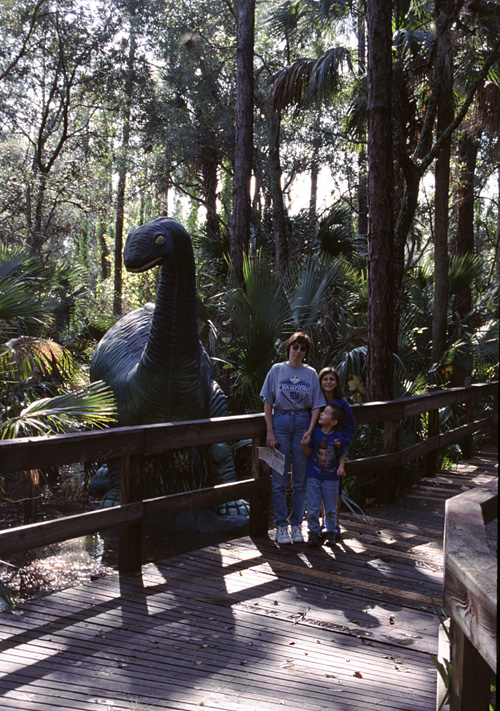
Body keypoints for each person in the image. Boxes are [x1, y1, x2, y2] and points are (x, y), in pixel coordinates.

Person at [260, 332, 325, 544]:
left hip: (302, 424)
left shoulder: (311, 374)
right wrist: (270, 431)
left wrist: (310, 429)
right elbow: (268, 401)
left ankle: (297, 524)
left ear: (306, 353)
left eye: (302, 349)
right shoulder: (277, 370)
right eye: (295, 347)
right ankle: (281, 525)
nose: (298, 352)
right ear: (288, 348)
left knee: (300, 478)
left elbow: (316, 404)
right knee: (278, 477)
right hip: (280, 421)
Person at [318, 367, 356, 541]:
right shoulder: (316, 400)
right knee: (317, 485)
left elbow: (350, 425)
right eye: (325, 379)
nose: (328, 382)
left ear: (337, 382)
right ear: (320, 381)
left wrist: (344, 440)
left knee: (335, 488)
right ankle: (322, 522)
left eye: (332, 379)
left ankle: (335, 524)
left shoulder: (342, 403)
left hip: (337, 450)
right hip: (318, 450)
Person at [301, 404, 347, 547]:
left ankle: (330, 532)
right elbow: (308, 453)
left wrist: (340, 467)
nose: (321, 414)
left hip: (331, 478)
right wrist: (304, 444)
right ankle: (313, 533)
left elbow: (342, 453)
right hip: (313, 475)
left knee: (331, 508)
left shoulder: (337, 437)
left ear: (333, 422)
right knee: (313, 507)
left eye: (325, 413)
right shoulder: (314, 433)